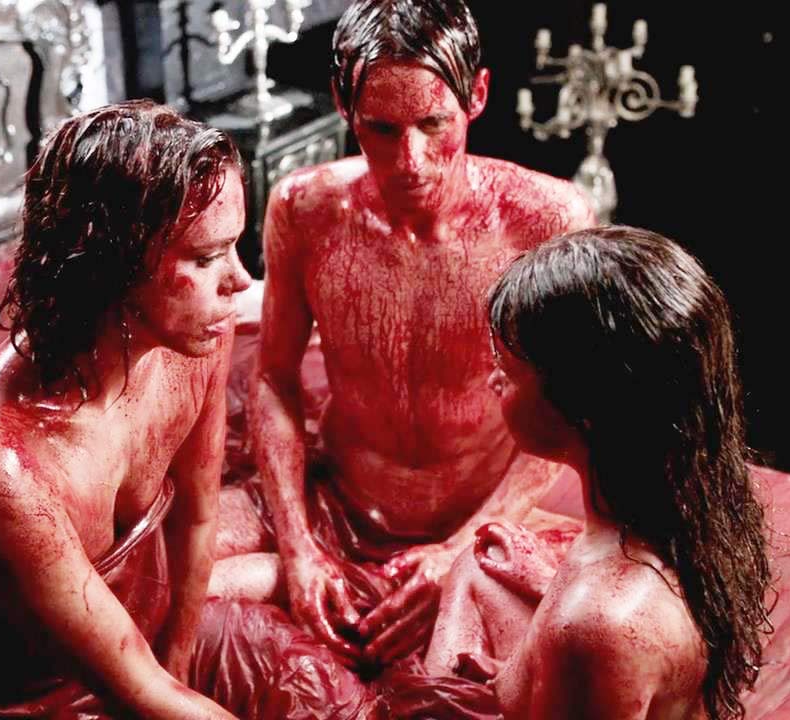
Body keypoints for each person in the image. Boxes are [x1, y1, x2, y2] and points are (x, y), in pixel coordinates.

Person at [214, 0, 596, 667]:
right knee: (157, 578)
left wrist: (459, 550)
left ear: (476, 96)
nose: (410, 159)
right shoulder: (303, 208)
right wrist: (299, 550)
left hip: (480, 523)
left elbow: (573, 407)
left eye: (433, 124)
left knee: (588, 642)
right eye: (381, 129)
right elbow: (273, 379)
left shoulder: (547, 219)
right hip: (336, 500)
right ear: (344, 106)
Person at [0, 100, 251, 719]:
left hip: (134, 643)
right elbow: (138, 690)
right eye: (207, 257)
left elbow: (196, 515)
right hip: (10, 700)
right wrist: (168, 685)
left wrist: (180, 660)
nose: (240, 280)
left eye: (233, 248)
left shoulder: (198, 333)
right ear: (119, 263)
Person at [415, 226, 773, 720]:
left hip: (598, 645)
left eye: (509, 369)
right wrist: (548, 589)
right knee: (481, 562)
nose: (494, 379)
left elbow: (608, 629)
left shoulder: (597, 627)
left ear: (583, 405)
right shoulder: (690, 499)